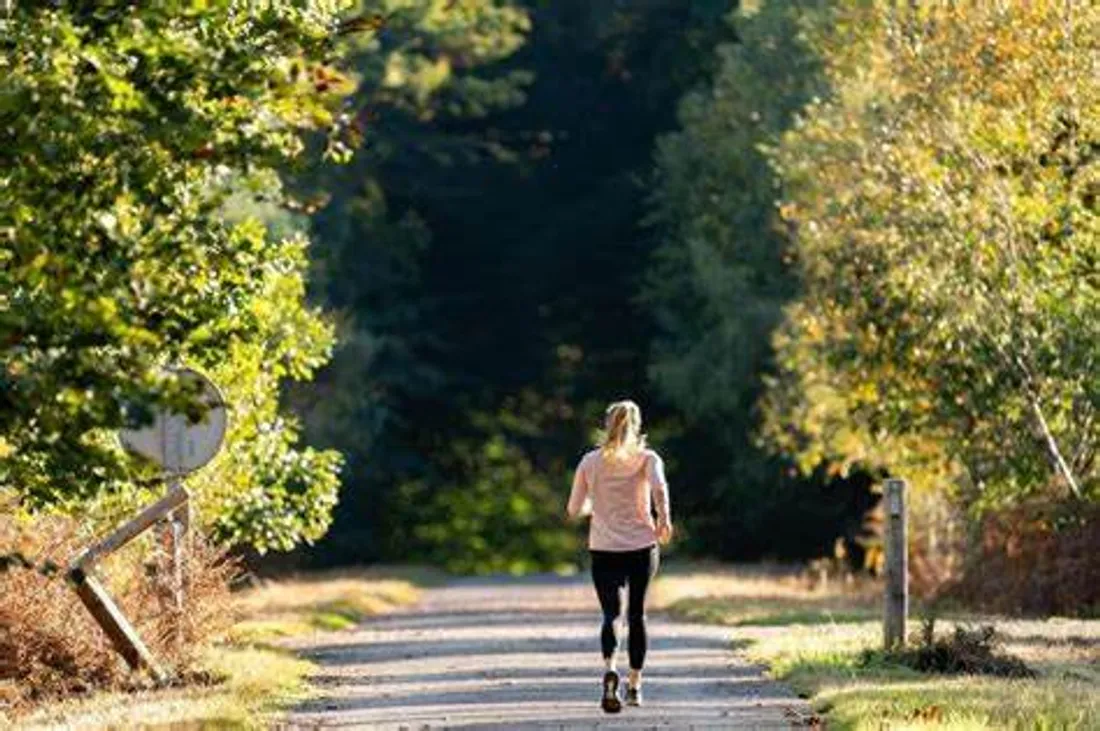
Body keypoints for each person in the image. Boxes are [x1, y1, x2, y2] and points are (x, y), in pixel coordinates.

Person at [566, 399, 672, 714]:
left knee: (611, 614)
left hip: (603, 548)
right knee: (637, 615)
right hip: (641, 546)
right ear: (636, 426)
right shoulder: (648, 458)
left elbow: (574, 509)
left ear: (607, 424)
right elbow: (660, 489)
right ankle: (635, 685)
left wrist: (592, 508)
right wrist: (664, 519)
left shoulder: (589, 462)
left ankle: (610, 667)